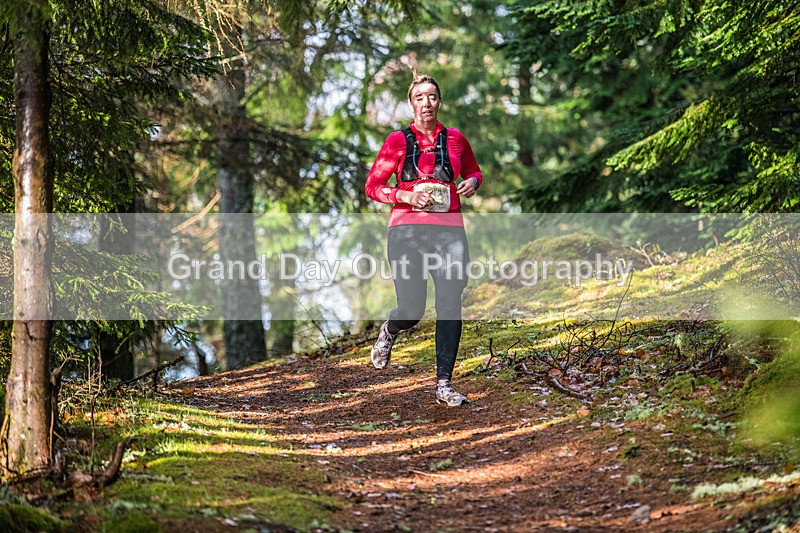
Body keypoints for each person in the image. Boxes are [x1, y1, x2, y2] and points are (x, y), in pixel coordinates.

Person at [364, 70, 482, 407]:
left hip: (449, 232)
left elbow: (474, 170)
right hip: (406, 231)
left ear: (439, 101)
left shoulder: (456, 138)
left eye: (432, 96)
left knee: (449, 302)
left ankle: (444, 383)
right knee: (413, 309)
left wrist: (473, 182)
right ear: (411, 104)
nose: (426, 103)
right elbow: (373, 186)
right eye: (419, 98)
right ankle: (391, 328)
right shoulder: (397, 141)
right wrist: (406, 197)